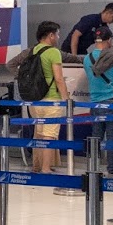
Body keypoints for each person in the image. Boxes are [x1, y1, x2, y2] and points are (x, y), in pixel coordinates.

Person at [84, 27, 113, 178]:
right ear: (109, 40)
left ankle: (94, 169)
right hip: (112, 103)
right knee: (112, 139)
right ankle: (112, 170)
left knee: (95, 138)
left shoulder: (87, 59)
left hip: (95, 103)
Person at [26, 21, 70, 176]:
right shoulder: (53, 52)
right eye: (57, 34)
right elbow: (59, 79)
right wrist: (66, 99)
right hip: (51, 99)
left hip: (35, 100)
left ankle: (37, 166)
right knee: (49, 135)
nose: (58, 37)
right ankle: (45, 168)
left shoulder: (33, 50)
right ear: (51, 35)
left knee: (38, 133)